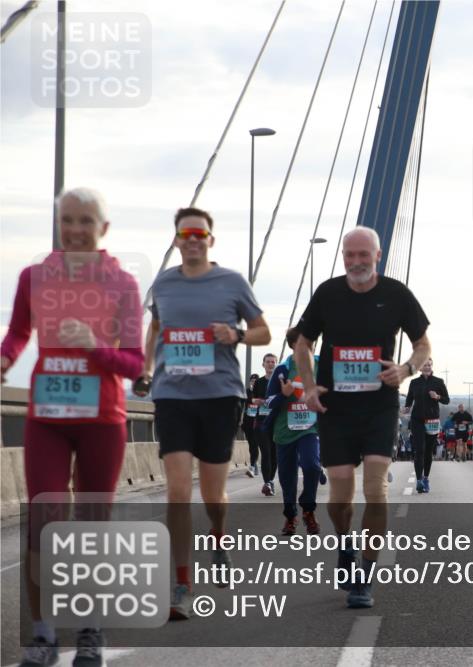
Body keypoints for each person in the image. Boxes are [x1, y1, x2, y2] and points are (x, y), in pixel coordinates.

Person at [2, 188, 143, 666]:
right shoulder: (34, 277)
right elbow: (20, 331)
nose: (76, 229)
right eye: (68, 220)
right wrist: (4, 360)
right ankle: (42, 636)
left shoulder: (122, 284)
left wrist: (93, 346)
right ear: (58, 225)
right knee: (43, 522)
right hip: (48, 418)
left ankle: (90, 630)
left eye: (86, 220)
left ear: (103, 229)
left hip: (102, 421)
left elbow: (133, 364)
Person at [136, 206, 271, 620]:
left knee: (213, 496)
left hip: (219, 397)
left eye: (200, 233)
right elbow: (156, 329)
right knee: (177, 491)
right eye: (185, 233)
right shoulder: (163, 283)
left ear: (210, 239)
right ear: (176, 239)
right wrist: (145, 368)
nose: (192, 239)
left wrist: (237, 335)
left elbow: (265, 331)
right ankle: (180, 581)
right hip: (173, 396)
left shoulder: (231, 282)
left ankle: (218, 535)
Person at [296, 226, 431, 609]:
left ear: (378, 255)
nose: (356, 262)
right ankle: (344, 544)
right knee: (339, 495)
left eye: (363, 255)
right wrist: (308, 386)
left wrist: (405, 369)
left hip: (378, 405)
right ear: (343, 257)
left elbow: (423, 344)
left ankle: (365, 576)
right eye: (349, 255)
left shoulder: (396, 294)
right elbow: (304, 344)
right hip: (335, 408)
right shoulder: (327, 293)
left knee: (376, 488)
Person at [262, 327, 322, 536]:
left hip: (310, 428)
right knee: (287, 477)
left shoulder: (320, 365)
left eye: (311, 342)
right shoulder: (283, 369)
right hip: (284, 431)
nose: (309, 347)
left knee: (312, 466)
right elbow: (268, 402)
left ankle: (308, 509)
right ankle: (290, 516)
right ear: (293, 346)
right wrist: (283, 395)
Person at [404, 358, 448, 491]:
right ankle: (418, 481)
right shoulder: (414, 382)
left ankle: (426, 478)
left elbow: (447, 400)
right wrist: (406, 408)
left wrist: (437, 397)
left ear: (432, 366)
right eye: (424, 365)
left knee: (428, 451)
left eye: (429, 365)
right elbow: (409, 400)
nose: (427, 367)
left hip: (432, 421)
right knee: (419, 450)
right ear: (420, 368)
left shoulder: (438, 382)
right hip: (417, 420)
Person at [252, 354, 279, 495]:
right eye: (267, 362)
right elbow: (254, 399)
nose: (270, 364)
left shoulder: (281, 381)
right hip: (262, 422)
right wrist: (261, 401)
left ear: (276, 364)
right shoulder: (259, 382)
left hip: (277, 422)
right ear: (263, 364)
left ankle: (271, 481)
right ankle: (267, 482)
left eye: (273, 362)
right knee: (266, 453)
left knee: (275, 455)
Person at [243, 373, 260, 477]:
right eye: (252, 381)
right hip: (248, 422)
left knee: (255, 444)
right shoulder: (246, 392)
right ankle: (254, 463)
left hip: (258, 422)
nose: (253, 383)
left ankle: (253, 465)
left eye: (255, 381)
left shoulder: (262, 392)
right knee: (251, 445)